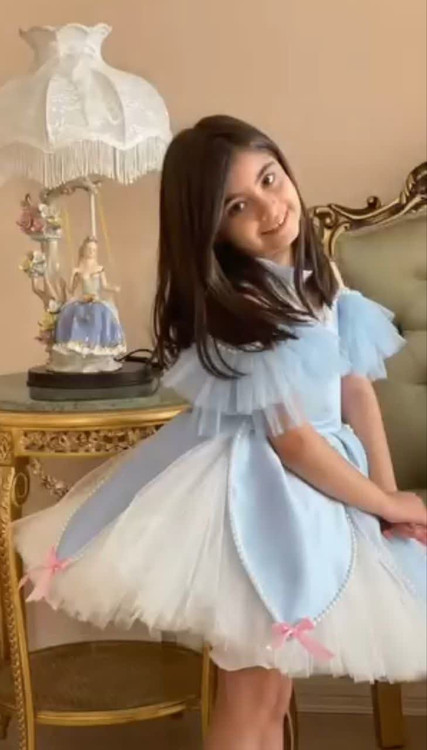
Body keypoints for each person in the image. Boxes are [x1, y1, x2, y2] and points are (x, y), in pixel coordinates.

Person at [14, 116, 426, 750]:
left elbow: (356, 390)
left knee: (273, 693)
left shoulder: (321, 279)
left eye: (269, 179)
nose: (268, 207)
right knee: (251, 695)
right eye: (237, 206)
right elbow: (293, 442)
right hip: (262, 501)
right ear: (211, 230)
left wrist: (388, 498)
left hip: (323, 490)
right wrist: (382, 502)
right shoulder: (244, 309)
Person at [50, 236, 126, 372]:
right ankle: (78, 351)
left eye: (94, 250)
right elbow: (71, 290)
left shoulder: (99, 268)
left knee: (101, 314)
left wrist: (114, 288)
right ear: (84, 250)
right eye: (89, 249)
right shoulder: (79, 269)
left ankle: (97, 350)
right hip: (82, 299)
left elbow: (105, 285)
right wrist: (71, 275)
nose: (91, 252)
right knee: (69, 313)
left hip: (96, 300)